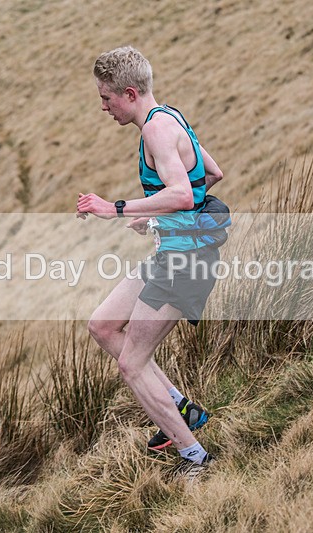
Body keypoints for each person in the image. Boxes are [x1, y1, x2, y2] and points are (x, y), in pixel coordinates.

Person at [76, 46, 224, 474]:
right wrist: (158, 220)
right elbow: (211, 176)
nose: (103, 107)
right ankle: (181, 409)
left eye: (106, 98)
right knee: (102, 325)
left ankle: (194, 457)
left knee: (131, 363)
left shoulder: (154, 133)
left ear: (128, 93)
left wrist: (117, 209)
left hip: (185, 262)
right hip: (173, 252)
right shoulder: (170, 117)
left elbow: (181, 192)